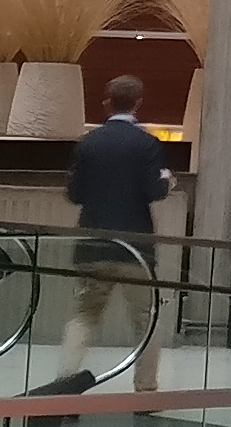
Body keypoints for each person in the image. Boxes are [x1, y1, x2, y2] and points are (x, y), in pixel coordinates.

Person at [51, 74, 167, 390]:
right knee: (145, 319)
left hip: (93, 245)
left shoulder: (88, 143)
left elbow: (74, 194)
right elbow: (153, 191)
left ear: (107, 103)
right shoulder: (147, 144)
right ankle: (146, 389)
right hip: (136, 248)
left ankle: (63, 383)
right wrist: (166, 181)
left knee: (85, 315)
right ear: (138, 103)